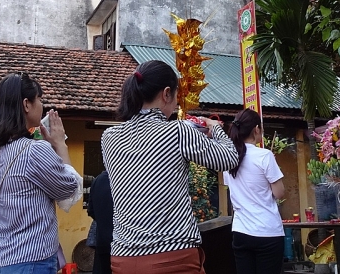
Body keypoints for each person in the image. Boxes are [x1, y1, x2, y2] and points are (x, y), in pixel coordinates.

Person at [102, 60, 239, 274]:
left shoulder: (108, 137)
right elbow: (229, 158)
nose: (176, 104)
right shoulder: (177, 132)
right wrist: (215, 129)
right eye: (176, 96)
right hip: (173, 257)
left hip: (122, 259)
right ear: (166, 93)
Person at [0, 73, 79, 273]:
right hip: (29, 258)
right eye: (40, 99)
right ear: (27, 104)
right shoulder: (34, 150)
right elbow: (69, 188)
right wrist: (60, 144)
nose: (42, 104)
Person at [222, 108, 285, 274]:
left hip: (241, 232)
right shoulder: (264, 156)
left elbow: (231, 187)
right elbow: (279, 193)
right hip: (268, 232)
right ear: (256, 129)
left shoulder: (229, 157)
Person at [87, 171, 113, 274]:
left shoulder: (98, 180)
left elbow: (91, 210)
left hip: (102, 242)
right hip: (124, 244)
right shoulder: (128, 180)